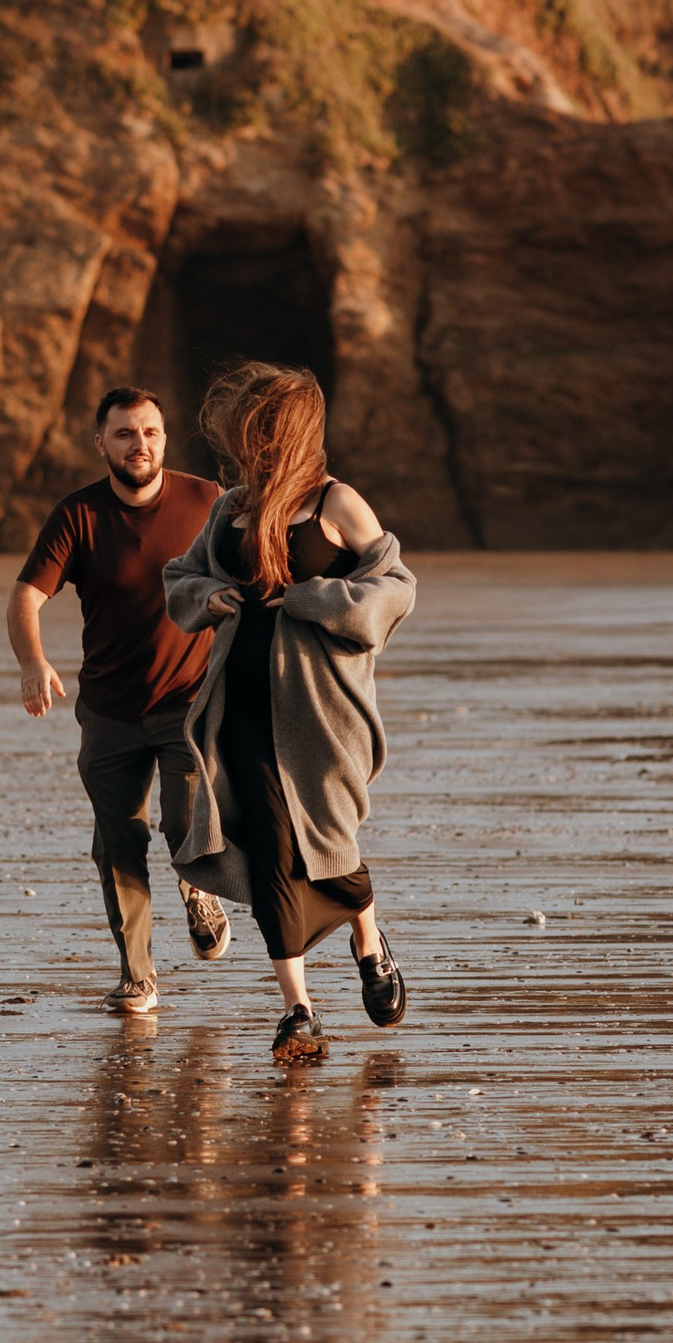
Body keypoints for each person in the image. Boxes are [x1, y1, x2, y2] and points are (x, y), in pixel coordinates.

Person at [163, 362, 416, 1066]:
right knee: (273, 846)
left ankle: (369, 941)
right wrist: (209, 599)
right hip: (238, 705)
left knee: (330, 850)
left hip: (319, 711)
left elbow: (396, 588)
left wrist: (309, 598)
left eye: (266, 426)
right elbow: (181, 578)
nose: (255, 440)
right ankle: (298, 1011)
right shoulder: (233, 508)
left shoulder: (338, 503)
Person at [8, 384, 232, 1015]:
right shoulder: (78, 515)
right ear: (100, 441)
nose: (141, 444)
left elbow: (252, 573)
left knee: (186, 822)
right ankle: (138, 975)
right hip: (108, 710)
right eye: (126, 433)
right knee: (117, 842)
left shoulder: (206, 501)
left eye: (151, 432)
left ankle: (199, 890)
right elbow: (26, 596)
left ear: (166, 436)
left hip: (189, 702)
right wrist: (33, 663)